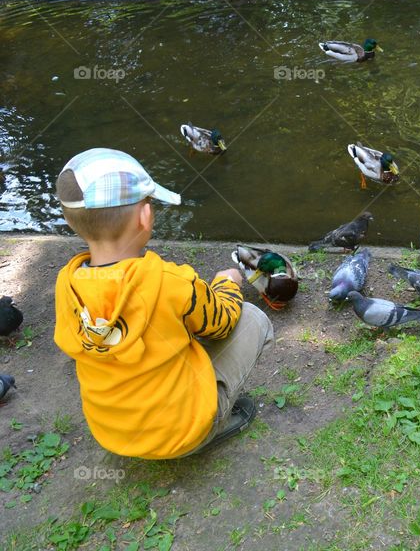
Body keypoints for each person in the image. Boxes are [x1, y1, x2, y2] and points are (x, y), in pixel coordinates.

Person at [53, 148, 274, 459]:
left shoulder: (67, 283)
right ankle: (208, 429)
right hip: (177, 434)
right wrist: (227, 282)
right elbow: (222, 322)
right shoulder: (168, 281)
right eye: (150, 204)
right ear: (145, 217)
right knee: (250, 317)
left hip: (112, 433)